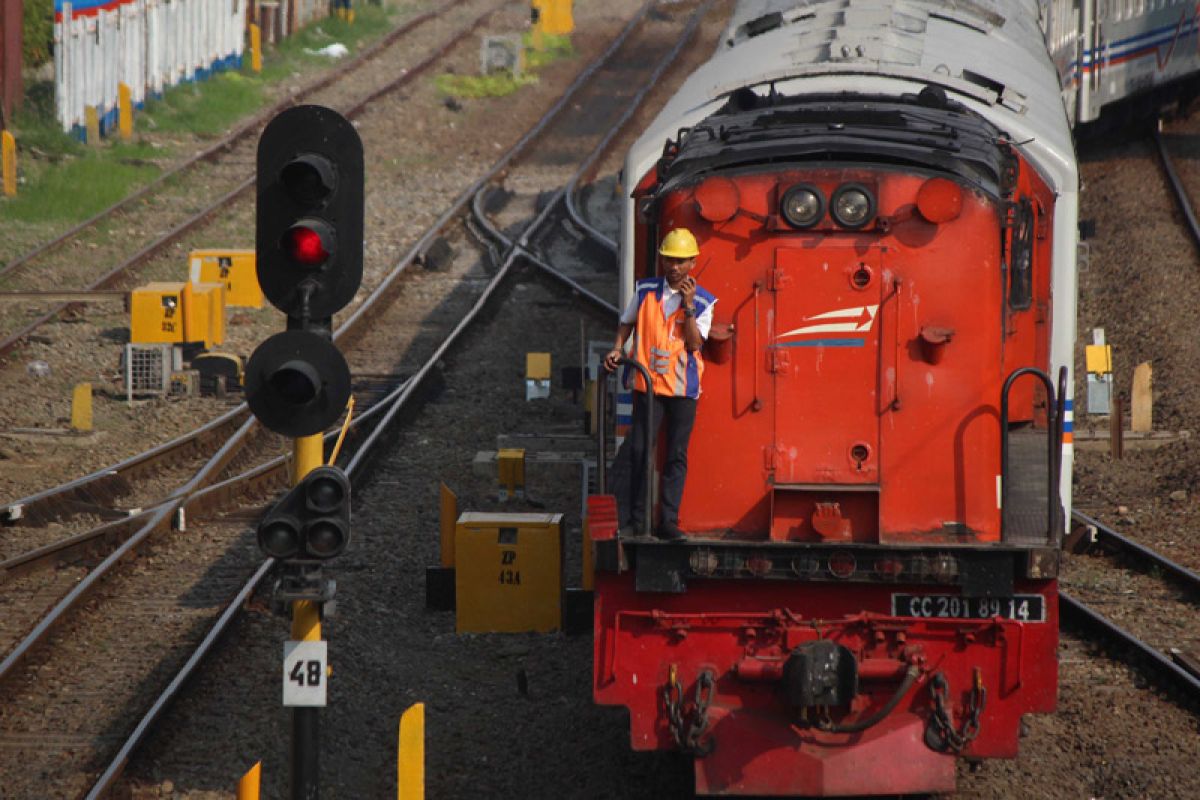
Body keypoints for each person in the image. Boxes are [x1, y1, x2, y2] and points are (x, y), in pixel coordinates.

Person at [604, 228, 716, 539]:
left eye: (681, 261)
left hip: (682, 389)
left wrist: (689, 306)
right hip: (647, 385)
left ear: (693, 262)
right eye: (669, 259)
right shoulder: (644, 291)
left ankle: (668, 521)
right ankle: (638, 521)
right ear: (662, 260)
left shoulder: (704, 302)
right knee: (640, 451)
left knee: (675, 455)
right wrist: (617, 348)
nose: (674, 267)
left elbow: (694, 344)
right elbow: (626, 322)